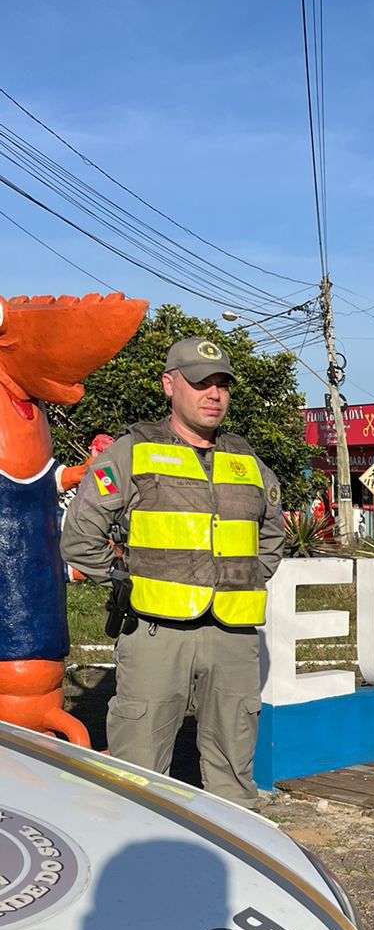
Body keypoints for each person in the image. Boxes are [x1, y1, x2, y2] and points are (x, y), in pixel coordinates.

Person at [61, 336, 285, 808]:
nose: (214, 394)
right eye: (201, 383)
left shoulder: (248, 460)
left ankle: (235, 859)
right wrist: (123, 581)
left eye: (222, 384)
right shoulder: (131, 451)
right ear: (169, 384)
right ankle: (135, 856)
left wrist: (245, 577)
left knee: (234, 770)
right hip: (156, 632)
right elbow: (80, 535)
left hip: (233, 633)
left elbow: (273, 535)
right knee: (139, 767)